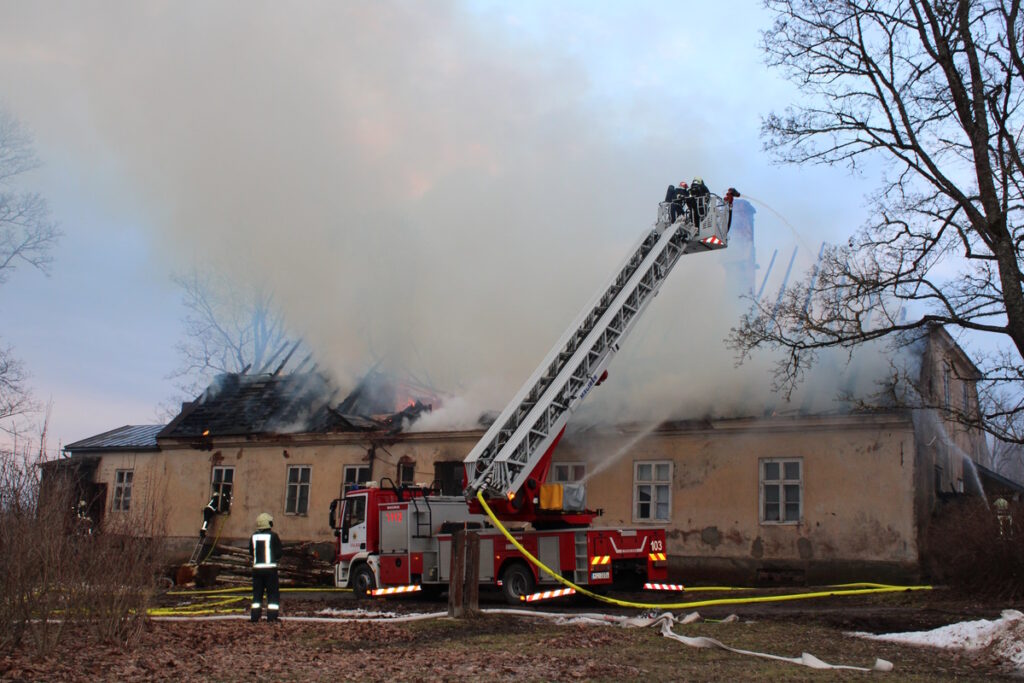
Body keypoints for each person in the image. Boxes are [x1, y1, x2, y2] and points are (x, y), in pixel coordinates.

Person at [250, 512, 282, 622]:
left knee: (257, 594)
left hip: (257, 570)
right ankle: (272, 617)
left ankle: (255, 617)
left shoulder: (253, 536)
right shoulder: (273, 536)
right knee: (272, 594)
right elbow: (278, 553)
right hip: (270, 570)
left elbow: (251, 551)